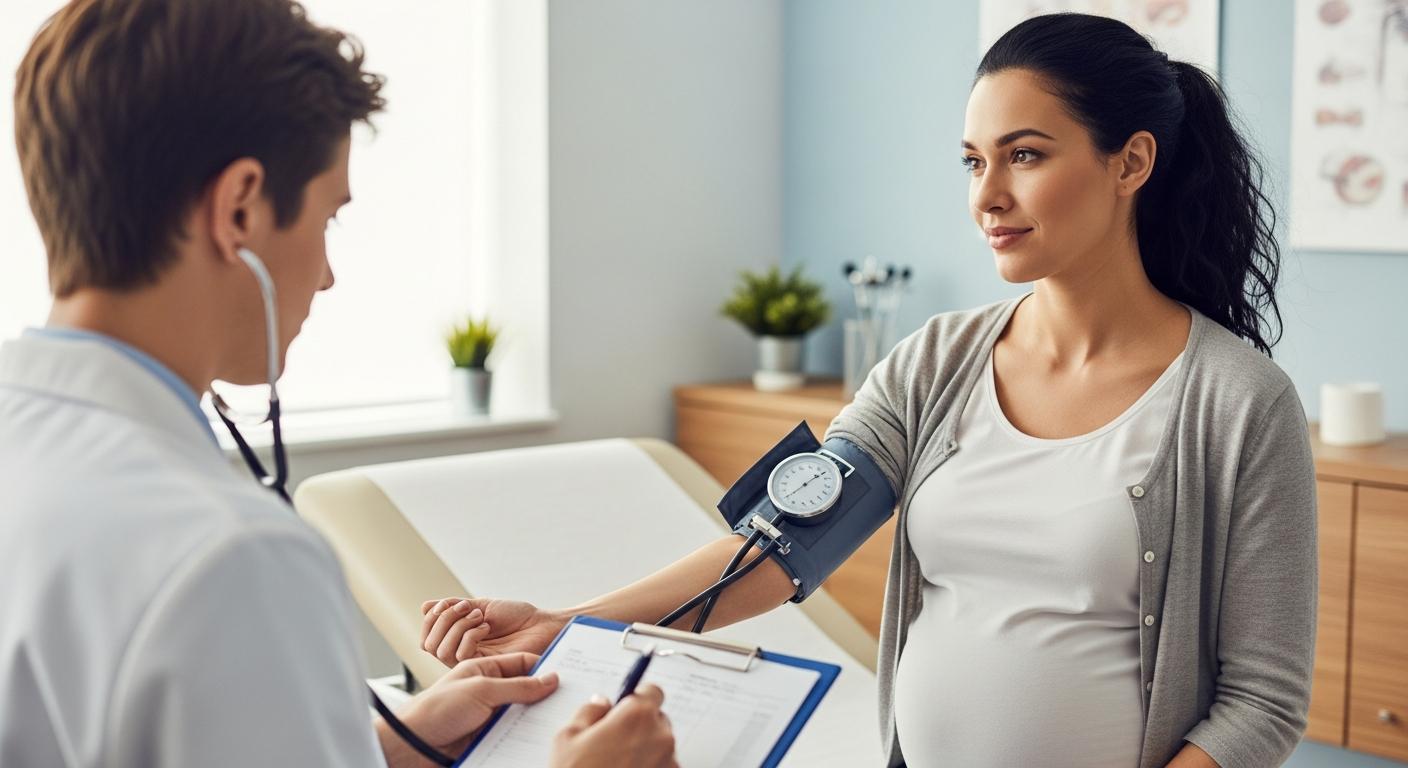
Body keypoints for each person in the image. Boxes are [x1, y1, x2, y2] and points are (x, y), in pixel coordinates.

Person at [417, 13, 1317, 768]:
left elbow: (1263, 703)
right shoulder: (935, 362)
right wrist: (561, 625)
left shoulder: (1239, 402)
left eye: (1026, 156)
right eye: (973, 162)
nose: (988, 196)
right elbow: (778, 550)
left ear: (1132, 162)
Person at [0, 1, 676, 765]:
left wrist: (383, 745)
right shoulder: (233, 559)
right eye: (329, 219)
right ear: (240, 209)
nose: (325, 276)